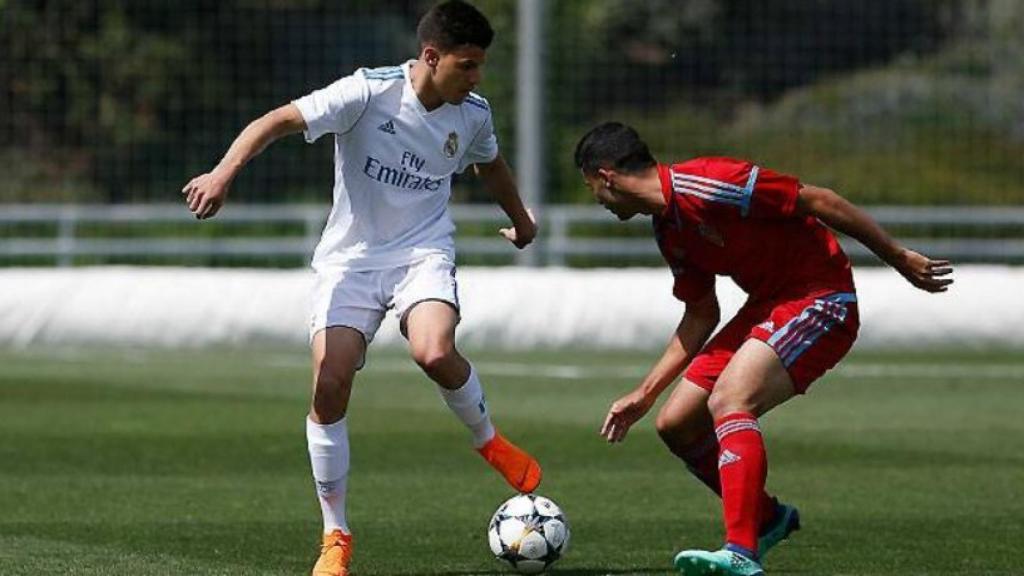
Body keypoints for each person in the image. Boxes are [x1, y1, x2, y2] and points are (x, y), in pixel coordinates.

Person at [181, 2, 542, 574]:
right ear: (430, 56)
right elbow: (275, 120)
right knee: (330, 382)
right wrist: (223, 173)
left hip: (422, 253)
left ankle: (489, 441)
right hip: (349, 263)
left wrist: (521, 220)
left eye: (479, 67)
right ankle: (336, 535)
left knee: (435, 350)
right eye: (467, 65)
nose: (476, 78)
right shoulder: (367, 93)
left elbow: (489, 165)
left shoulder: (471, 113)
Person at [574, 122, 952, 576]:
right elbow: (701, 313)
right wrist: (646, 393)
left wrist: (898, 257)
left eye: (591, 186)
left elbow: (819, 200)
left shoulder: (712, 182)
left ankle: (741, 551)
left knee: (730, 400)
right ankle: (769, 517)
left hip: (821, 296)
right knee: (676, 424)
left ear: (606, 176)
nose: (595, 198)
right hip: (768, 305)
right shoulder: (668, 230)